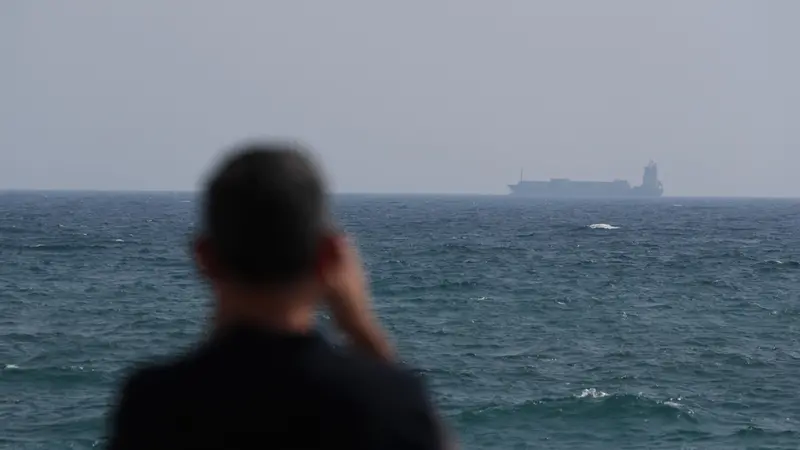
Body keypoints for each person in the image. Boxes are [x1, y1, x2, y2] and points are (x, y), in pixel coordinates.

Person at [106, 141, 449, 449]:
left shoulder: (153, 404)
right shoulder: (385, 402)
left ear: (204, 257)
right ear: (329, 257)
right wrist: (360, 327)